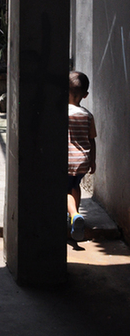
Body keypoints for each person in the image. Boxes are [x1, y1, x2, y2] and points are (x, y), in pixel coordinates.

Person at [67, 70, 97, 241]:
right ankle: (74, 221)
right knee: (74, 186)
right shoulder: (88, 115)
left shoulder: (62, 114)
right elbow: (92, 140)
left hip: (67, 159)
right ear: (85, 95)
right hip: (83, 161)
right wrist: (93, 160)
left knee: (63, 189)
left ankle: (74, 214)